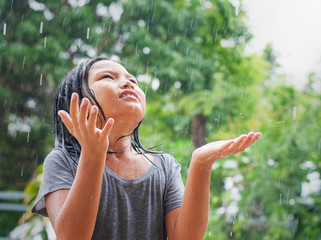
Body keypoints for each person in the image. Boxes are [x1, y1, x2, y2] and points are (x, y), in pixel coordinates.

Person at [32, 57, 262, 240]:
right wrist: (93, 153)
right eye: (107, 77)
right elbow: (72, 237)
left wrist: (201, 163)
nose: (127, 82)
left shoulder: (163, 166)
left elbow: (186, 237)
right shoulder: (63, 160)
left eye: (132, 80)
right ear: (76, 102)